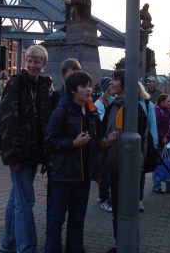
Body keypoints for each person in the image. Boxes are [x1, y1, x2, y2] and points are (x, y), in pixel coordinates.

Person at [0, 45, 52, 253]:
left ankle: (8, 242)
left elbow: (45, 122)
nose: (32, 65)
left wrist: (45, 155)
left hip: (34, 153)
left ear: (43, 64)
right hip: (20, 154)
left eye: (36, 62)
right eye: (29, 61)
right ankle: (26, 248)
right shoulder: (16, 84)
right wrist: (13, 157)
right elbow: (7, 122)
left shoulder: (43, 86)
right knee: (25, 202)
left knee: (17, 198)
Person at [44, 71, 103, 253]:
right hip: (62, 176)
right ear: (72, 91)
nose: (88, 90)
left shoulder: (92, 112)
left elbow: (96, 143)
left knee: (78, 219)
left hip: (82, 177)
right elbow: (49, 141)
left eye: (89, 85)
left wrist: (108, 143)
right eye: (83, 86)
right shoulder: (62, 110)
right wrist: (73, 143)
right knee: (56, 220)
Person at [102, 69, 147, 253]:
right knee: (117, 209)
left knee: (127, 208)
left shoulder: (134, 109)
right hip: (114, 164)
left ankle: (130, 245)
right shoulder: (113, 106)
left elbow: (141, 138)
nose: (111, 83)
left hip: (128, 167)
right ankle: (121, 243)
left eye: (115, 80)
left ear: (125, 84)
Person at [138, 82, 158, 212]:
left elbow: (152, 124)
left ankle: (139, 199)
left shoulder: (147, 104)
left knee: (140, 172)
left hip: (143, 144)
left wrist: (154, 144)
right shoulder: (122, 102)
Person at [94, 77, 113, 213]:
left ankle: (104, 196)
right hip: (103, 141)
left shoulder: (112, 100)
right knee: (104, 171)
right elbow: (100, 121)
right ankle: (104, 197)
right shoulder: (100, 103)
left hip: (110, 140)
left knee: (107, 171)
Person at [152, 93, 170, 194]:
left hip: (167, 143)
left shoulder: (167, 111)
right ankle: (157, 186)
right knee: (159, 165)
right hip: (162, 143)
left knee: (168, 164)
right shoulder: (158, 111)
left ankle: (169, 184)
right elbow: (156, 126)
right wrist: (162, 137)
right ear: (162, 102)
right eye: (168, 101)